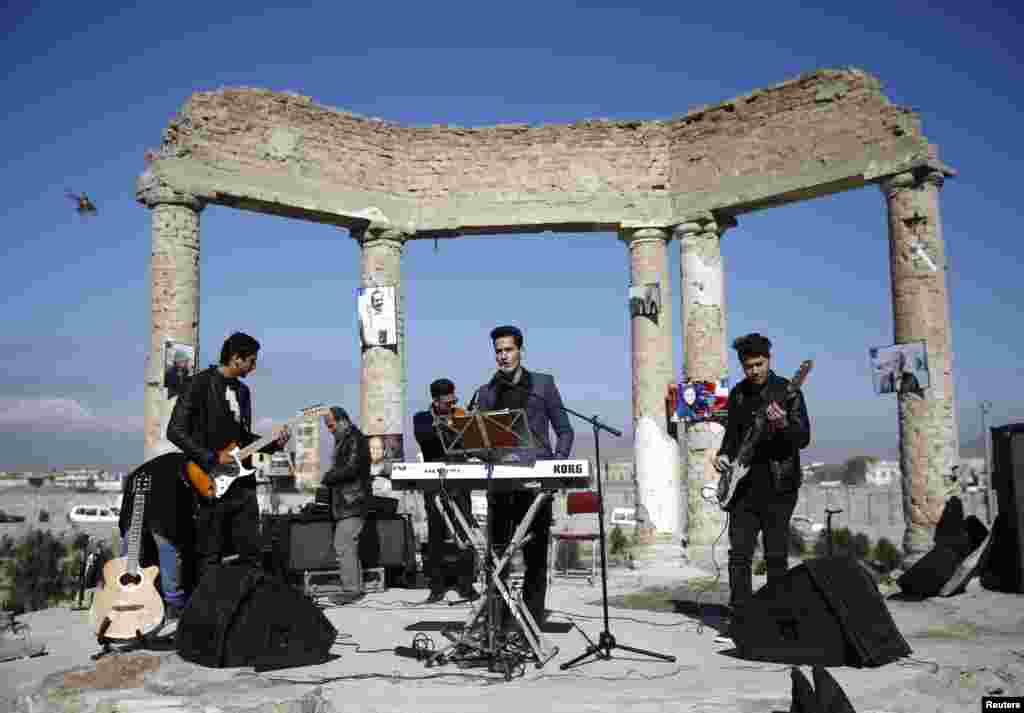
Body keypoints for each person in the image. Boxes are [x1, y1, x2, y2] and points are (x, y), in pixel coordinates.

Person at [167, 332, 290, 586]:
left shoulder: (243, 392)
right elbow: (175, 431)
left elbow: (243, 439)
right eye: (251, 361)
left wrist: (274, 444)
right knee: (209, 554)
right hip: (210, 481)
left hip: (242, 484)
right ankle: (205, 614)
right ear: (236, 358)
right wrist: (212, 457)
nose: (254, 367)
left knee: (250, 552)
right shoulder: (198, 384)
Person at [713, 333, 810, 644]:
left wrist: (781, 425)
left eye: (759, 364)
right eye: (748, 366)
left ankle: (780, 623)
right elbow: (732, 435)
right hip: (742, 489)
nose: (754, 370)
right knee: (739, 556)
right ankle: (739, 620)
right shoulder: (739, 394)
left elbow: (803, 437)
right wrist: (723, 456)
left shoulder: (788, 391)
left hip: (779, 486)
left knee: (776, 556)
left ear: (769, 360)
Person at [474, 325, 574, 627]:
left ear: (521, 351)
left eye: (509, 349)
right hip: (501, 484)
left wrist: (555, 468)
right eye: (499, 351)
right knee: (498, 555)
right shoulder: (486, 391)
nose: (503, 356)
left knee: (535, 555)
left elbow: (565, 431)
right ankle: (499, 622)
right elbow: (480, 440)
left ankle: (533, 620)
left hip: (536, 484)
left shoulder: (542, 385)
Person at [413, 378, 478, 603]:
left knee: (464, 532)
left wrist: (464, 422)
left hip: (460, 483)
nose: (451, 405)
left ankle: (466, 585)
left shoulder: (460, 416)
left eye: (454, 401)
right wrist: (447, 423)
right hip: (435, 483)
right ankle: (436, 587)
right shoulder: (421, 418)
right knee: (436, 535)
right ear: (435, 400)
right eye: (447, 402)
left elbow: (470, 445)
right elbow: (427, 440)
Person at [322, 406, 372, 605]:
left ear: (343, 420)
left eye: (331, 425)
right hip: (349, 502)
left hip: (353, 502)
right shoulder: (346, 439)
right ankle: (354, 588)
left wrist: (328, 477)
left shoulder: (354, 439)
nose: (330, 430)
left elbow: (352, 469)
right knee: (347, 546)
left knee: (343, 544)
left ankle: (351, 590)